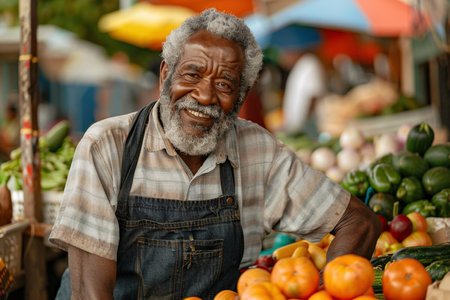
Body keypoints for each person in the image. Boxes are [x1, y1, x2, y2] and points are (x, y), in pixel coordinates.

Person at [49, 8, 381, 300]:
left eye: (224, 84)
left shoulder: (258, 153)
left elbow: (359, 222)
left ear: (241, 96)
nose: (205, 96)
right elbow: (89, 293)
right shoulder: (107, 146)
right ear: (166, 75)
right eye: (192, 75)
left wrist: (326, 289)